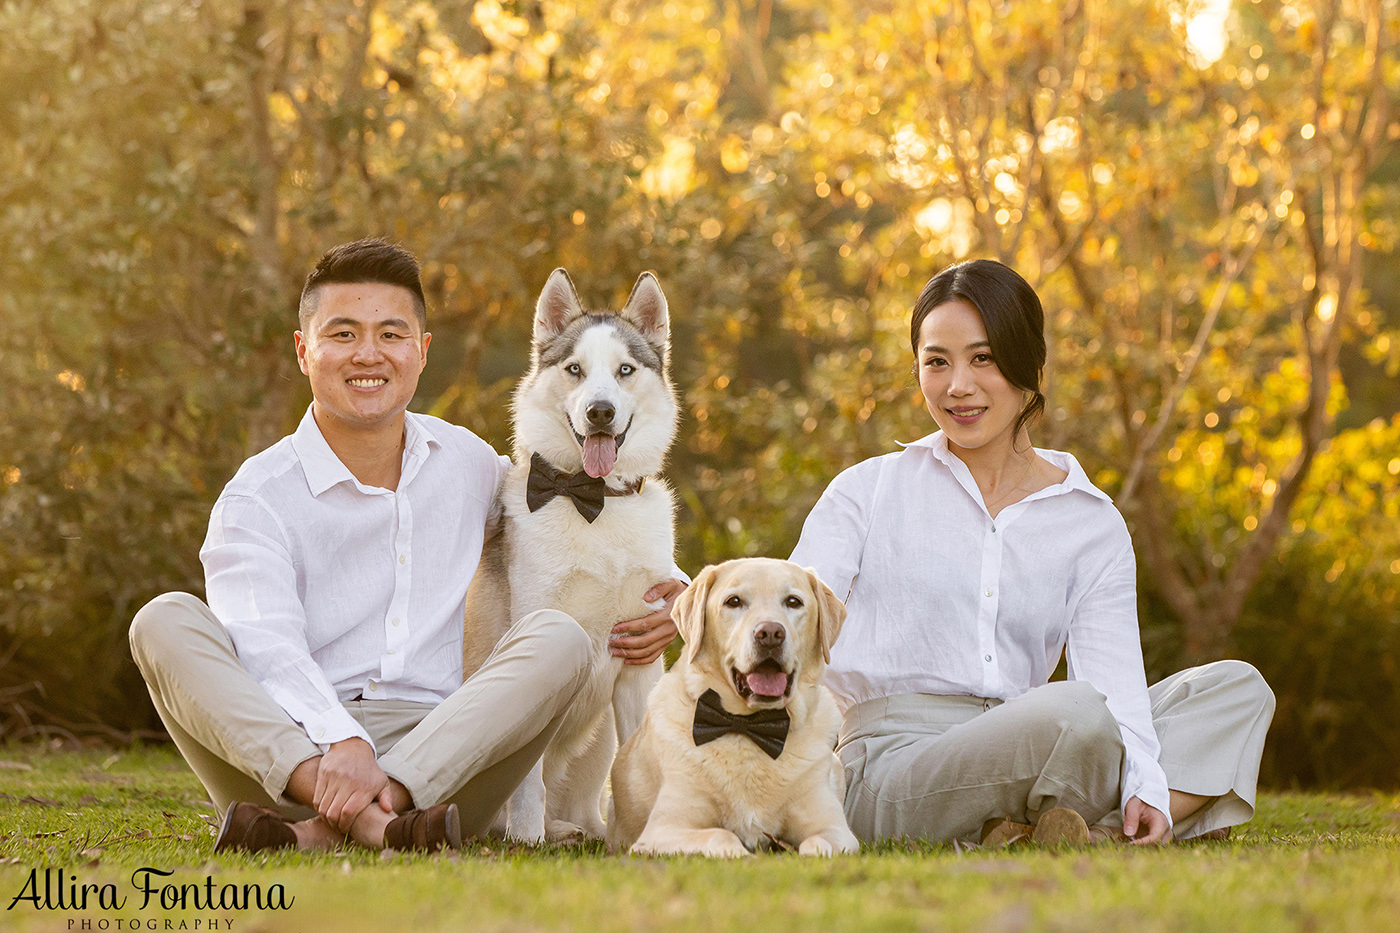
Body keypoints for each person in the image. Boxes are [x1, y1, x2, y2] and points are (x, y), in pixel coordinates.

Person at [129, 238, 682, 853]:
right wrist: (340, 744)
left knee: (557, 637)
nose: (368, 354)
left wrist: (662, 590)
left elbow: (563, 520)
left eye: (391, 334)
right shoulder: (256, 496)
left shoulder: (467, 462)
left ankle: (332, 829)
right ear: (303, 350)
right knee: (163, 621)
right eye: (342, 334)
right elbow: (265, 646)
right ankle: (370, 820)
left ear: (420, 353)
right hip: (292, 752)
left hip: (447, 754)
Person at [790, 259, 1275, 846]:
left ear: (1030, 364)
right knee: (1073, 714)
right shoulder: (867, 491)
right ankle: (1107, 832)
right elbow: (788, 617)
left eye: (983, 358)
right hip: (892, 766)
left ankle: (1061, 832)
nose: (957, 386)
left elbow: (1114, 679)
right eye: (936, 362)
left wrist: (1143, 780)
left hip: (1040, 736)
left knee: (1234, 691)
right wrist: (705, 607)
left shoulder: (1089, 521)